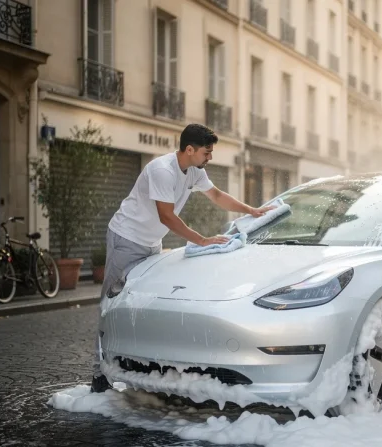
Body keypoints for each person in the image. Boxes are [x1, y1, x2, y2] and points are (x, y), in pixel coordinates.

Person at [91, 123, 272, 393]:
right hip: (126, 239)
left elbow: (217, 195)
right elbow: (167, 216)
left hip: (151, 242)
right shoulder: (162, 171)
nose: (210, 158)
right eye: (206, 153)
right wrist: (201, 240)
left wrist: (251, 210)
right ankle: (99, 373)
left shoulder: (194, 171)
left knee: (141, 302)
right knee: (111, 304)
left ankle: (138, 365)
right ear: (189, 149)